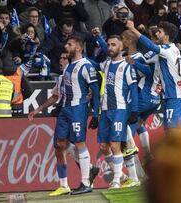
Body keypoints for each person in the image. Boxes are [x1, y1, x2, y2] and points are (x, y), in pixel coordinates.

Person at [28, 51, 99, 196]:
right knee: (59, 145)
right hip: (65, 113)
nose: (60, 60)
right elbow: (55, 97)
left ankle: (84, 179)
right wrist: (38, 109)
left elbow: (92, 88)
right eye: (60, 57)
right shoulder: (61, 78)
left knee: (78, 143)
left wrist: (92, 106)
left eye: (64, 58)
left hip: (77, 112)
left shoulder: (82, 70)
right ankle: (68, 182)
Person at [52, 36, 100, 195]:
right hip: (65, 109)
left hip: (78, 109)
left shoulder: (86, 66)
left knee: (80, 143)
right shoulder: (68, 66)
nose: (66, 46)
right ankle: (90, 168)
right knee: (60, 143)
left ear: (79, 48)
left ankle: (85, 182)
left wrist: (96, 113)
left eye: (70, 44)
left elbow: (96, 89)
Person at [127, 21, 181, 133]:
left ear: (166, 36)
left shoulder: (167, 50)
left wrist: (133, 29)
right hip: (172, 96)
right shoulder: (172, 49)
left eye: (160, 32)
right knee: (170, 134)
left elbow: (150, 46)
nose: (157, 34)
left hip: (175, 96)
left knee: (174, 135)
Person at [97, 35, 139, 189]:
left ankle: (116, 180)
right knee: (103, 146)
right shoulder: (106, 64)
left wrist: (134, 111)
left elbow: (134, 91)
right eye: (108, 44)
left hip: (119, 110)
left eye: (113, 45)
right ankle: (121, 175)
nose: (109, 47)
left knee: (115, 144)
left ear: (121, 48)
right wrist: (97, 38)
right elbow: (96, 62)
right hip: (105, 110)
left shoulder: (127, 67)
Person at [123, 28, 162, 164]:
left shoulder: (146, 55)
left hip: (144, 95)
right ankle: (147, 155)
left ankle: (134, 158)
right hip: (156, 97)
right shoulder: (163, 53)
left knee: (125, 122)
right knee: (139, 123)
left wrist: (135, 63)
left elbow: (148, 72)